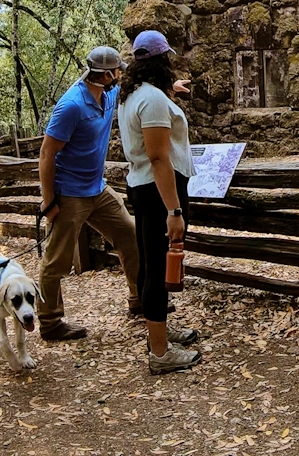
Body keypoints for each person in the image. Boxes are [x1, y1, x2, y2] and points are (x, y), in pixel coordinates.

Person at [36, 45, 142, 341]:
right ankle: (50, 322)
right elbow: (46, 154)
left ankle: (139, 299)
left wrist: (169, 85)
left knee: (129, 234)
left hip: (98, 188)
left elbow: (134, 89)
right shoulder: (71, 106)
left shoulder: (108, 95)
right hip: (69, 193)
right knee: (57, 259)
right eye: (117, 70)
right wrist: (48, 201)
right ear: (106, 74)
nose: (121, 73)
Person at [117, 29, 203, 375]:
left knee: (152, 263)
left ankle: (161, 330)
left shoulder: (135, 93)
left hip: (145, 187)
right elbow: (158, 157)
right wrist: (174, 210)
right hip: (157, 191)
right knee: (156, 270)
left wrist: (172, 92)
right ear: (162, 60)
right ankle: (160, 352)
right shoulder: (151, 100)